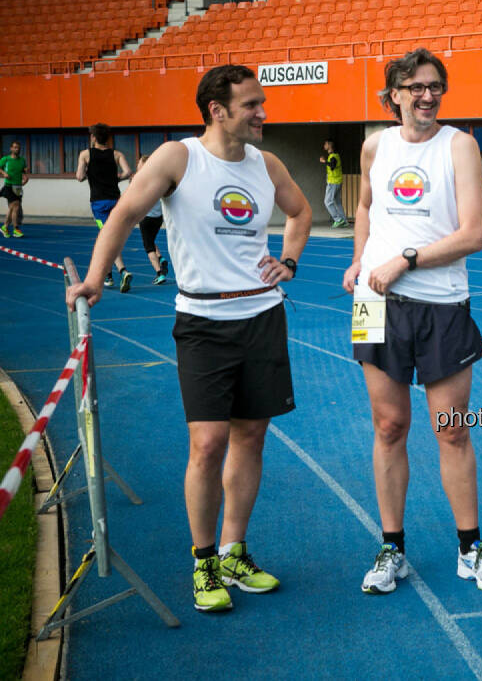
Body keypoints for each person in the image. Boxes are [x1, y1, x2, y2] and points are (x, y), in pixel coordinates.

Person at [65, 64, 312, 613]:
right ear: (217, 110)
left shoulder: (265, 164)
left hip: (262, 316)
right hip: (202, 322)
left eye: (262, 103)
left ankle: (233, 551)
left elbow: (301, 213)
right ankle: (202, 562)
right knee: (207, 444)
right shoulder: (178, 158)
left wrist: (288, 261)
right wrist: (94, 277)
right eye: (251, 105)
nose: (263, 113)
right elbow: (126, 214)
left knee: (251, 438)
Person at [342, 48, 482, 595]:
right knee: (389, 427)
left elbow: (474, 234)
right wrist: (359, 258)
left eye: (434, 85)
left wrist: (405, 260)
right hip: (375, 305)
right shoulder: (375, 145)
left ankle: (470, 550)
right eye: (415, 86)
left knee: (452, 430)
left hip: (441, 302)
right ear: (393, 93)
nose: (427, 95)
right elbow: (365, 206)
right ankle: (392, 548)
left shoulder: (459, 145)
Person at [76, 123, 134, 292]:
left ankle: (122, 271)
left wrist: (91, 174)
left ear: (93, 137)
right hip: (115, 201)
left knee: (106, 237)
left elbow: (79, 176)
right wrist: (115, 179)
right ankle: (108, 276)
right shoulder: (116, 154)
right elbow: (128, 172)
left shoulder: (85, 154)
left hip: (99, 204)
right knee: (108, 237)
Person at [133, 154, 170, 284]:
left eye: (139, 163)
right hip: (158, 217)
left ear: (143, 165)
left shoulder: (139, 179)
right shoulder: (158, 178)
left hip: (146, 217)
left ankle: (159, 273)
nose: (137, 164)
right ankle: (160, 258)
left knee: (148, 246)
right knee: (151, 240)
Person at [0, 140, 29, 238]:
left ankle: (5, 227)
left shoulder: (22, 160)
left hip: (18, 187)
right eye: (15, 147)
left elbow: (23, 172)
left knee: (13, 208)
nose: (17, 149)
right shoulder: (6, 159)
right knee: (15, 206)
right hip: (9, 185)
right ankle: (16, 228)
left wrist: (25, 178)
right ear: (11, 148)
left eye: (18, 147)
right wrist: (4, 173)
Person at [320, 139, 349, 228]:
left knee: (327, 201)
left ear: (329, 145)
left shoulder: (333, 157)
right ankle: (344, 221)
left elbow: (332, 166)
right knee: (337, 202)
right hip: (337, 181)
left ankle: (338, 219)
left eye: (325, 144)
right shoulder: (335, 156)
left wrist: (324, 162)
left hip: (333, 182)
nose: (324, 145)